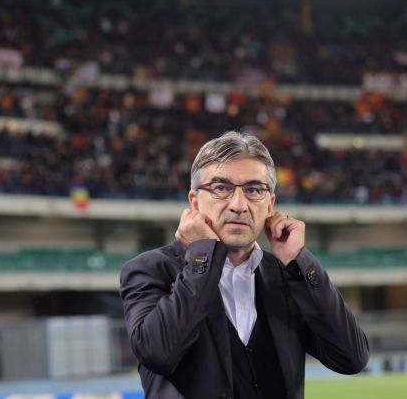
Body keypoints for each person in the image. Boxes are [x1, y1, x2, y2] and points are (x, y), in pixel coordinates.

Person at [120, 131, 369, 399]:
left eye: (253, 190)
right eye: (220, 188)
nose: (239, 205)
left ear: (270, 204)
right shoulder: (149, 270)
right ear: (194, 202)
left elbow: (351, 357)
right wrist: (202, 256)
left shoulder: (288, 276)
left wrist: (301, 262)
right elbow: (157, 353)